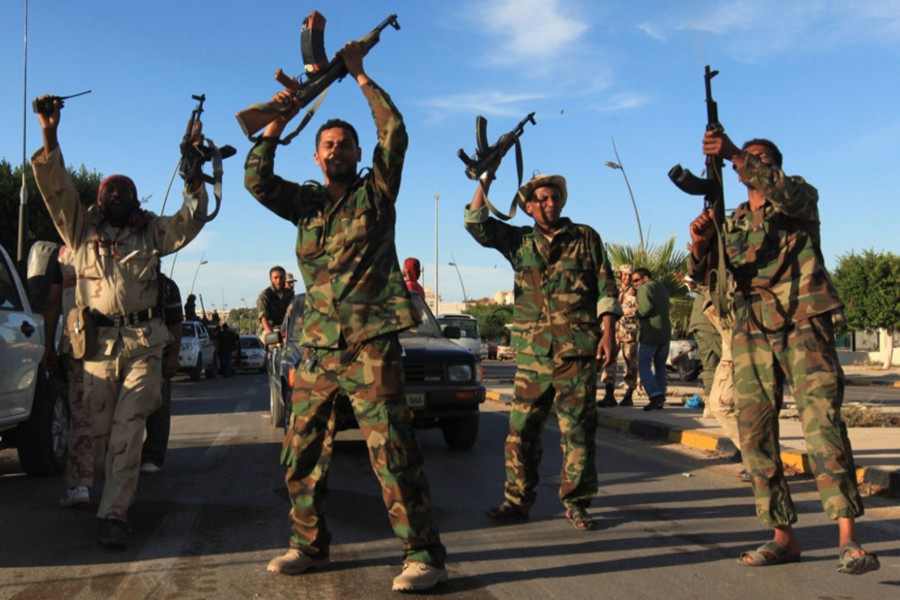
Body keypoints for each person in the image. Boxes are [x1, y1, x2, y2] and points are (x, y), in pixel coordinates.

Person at [243, 41, 446, 592]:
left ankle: (421, 554)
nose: (336, 149)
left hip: (371, 347)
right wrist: (276, 122)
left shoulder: (376, 193)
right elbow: (255, 179)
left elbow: (395, 131)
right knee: (300, 454)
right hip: (316, 350)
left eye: (345, 143)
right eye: (327, 144)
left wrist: (358, 74)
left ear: (358, 153)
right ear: (315, 156)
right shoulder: (305, 205)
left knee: (393, 454)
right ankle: (306, 545)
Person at [690, 131, 879, 574]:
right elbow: (710, 278)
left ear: (773, 165)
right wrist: (701, 245)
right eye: (744, 159)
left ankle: (849, 539)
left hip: (803, 319)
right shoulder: (731, 220)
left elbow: (786, 192)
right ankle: (783, 536)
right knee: (755, 435)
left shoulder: (798, 197)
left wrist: (736, 152)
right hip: (751, 328)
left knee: (823, 426)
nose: (746, 165)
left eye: (760, 159)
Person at [31, 95, 209, 548]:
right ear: (98, 198)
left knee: (129, 432)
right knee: (102, 435)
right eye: (109, 189)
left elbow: (188, 222)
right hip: (95, 351)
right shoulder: (80, 230)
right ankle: (112, 492)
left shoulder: (149, 231)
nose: (116, 194)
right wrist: (50, 134)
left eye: (124, 189)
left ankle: (114, 515)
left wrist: (194, 177)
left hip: (143, 345)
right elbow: (56, 192)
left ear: (133, 197)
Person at [465, 171, 620, 532]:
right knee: (521, 432)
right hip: (533, 356)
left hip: (576, 352)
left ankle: (577, 503)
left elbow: (605, 286)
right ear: (529, 207)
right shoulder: (519, 241)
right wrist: (485, 179)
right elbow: (475, 222)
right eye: (543, 200)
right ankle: (517, 501)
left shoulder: (585, 238)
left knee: (578, 431)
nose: (550, 204)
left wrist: (608, 333)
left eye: (555, 198)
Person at [43, 245, 93, 507]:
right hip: (114, 344)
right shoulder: (116, 242)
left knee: (80, 413)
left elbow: (53, 302)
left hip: (77, 343)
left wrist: (48, 346)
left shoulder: (63, 255)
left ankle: (80, 483)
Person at [141, 273, 184, 475]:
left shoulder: (167, 287)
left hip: (160, 356)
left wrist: (173, 356)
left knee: (158, 408)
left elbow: (176, 324)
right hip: (128, 356)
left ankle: (153, 456)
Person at [598, 264, 639, 407]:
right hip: (614, 333)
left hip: (629, 334)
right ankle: (609, 394)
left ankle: (628, 396)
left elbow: (636, 312)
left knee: (631, 365)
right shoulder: (614, 290)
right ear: (620, 275)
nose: (627, 277)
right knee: (609, 363)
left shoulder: (636, 292)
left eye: (630, 275)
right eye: (625, 274)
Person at [631, 268, 671, 411]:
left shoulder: (644, 288)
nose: (635, 284)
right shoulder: (661, 287)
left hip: (650, 333)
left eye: (636, 280)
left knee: (643, 365)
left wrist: (636, 312)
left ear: (645, 278)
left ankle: (655, 395)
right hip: (665, 333)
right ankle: (660, 398)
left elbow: (645, 309)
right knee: (660, 367)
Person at [256, 266, 292, 336]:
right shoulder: (265, 295)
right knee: (276, 342)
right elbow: (263, 318)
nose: (278, 281)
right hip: (270, 328)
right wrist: (271, 335)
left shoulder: (289, 294)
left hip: (288, 329)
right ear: (270, 279)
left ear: (285, 278)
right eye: (275, 278)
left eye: (281, 278)